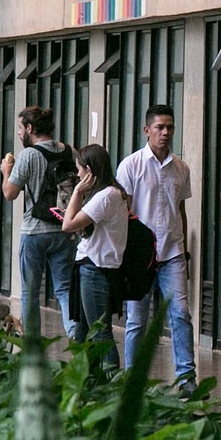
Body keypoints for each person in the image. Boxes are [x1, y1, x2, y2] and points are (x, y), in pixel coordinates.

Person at [117, 104, 197, 395]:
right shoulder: (131, 166)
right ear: (146, 130)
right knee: (137, 320)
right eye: (160, 127)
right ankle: (133, 377)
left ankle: (186, 377)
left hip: (173, 252)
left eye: (170, 127)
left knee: (180, 314)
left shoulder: (181, 168)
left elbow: (181, 209)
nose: (165, 133)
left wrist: (185, 251)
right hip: (140, 256)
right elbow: (121, 211)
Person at [0, 107, 82, 340]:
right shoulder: (69, 151)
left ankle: (32, 342)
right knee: (64, 288)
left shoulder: (28, 156)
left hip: (34, 231)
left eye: (20, 128)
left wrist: (6, 171)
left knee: (30, 292)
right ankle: (74, 333)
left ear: (30, 128)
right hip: (64, 230)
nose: (18, 133)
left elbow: (10, 193)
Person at [60, 143, 129, 373]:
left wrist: (78, 192)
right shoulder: (111, 193)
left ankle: (112, 383)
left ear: (89, 171)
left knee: (100, 332)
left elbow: (68, 225)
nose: (77, 174)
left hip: (95, 269)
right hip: (92, 268)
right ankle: (85, 384)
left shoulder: (106, 197)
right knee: (82, 332)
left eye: (79, 169)